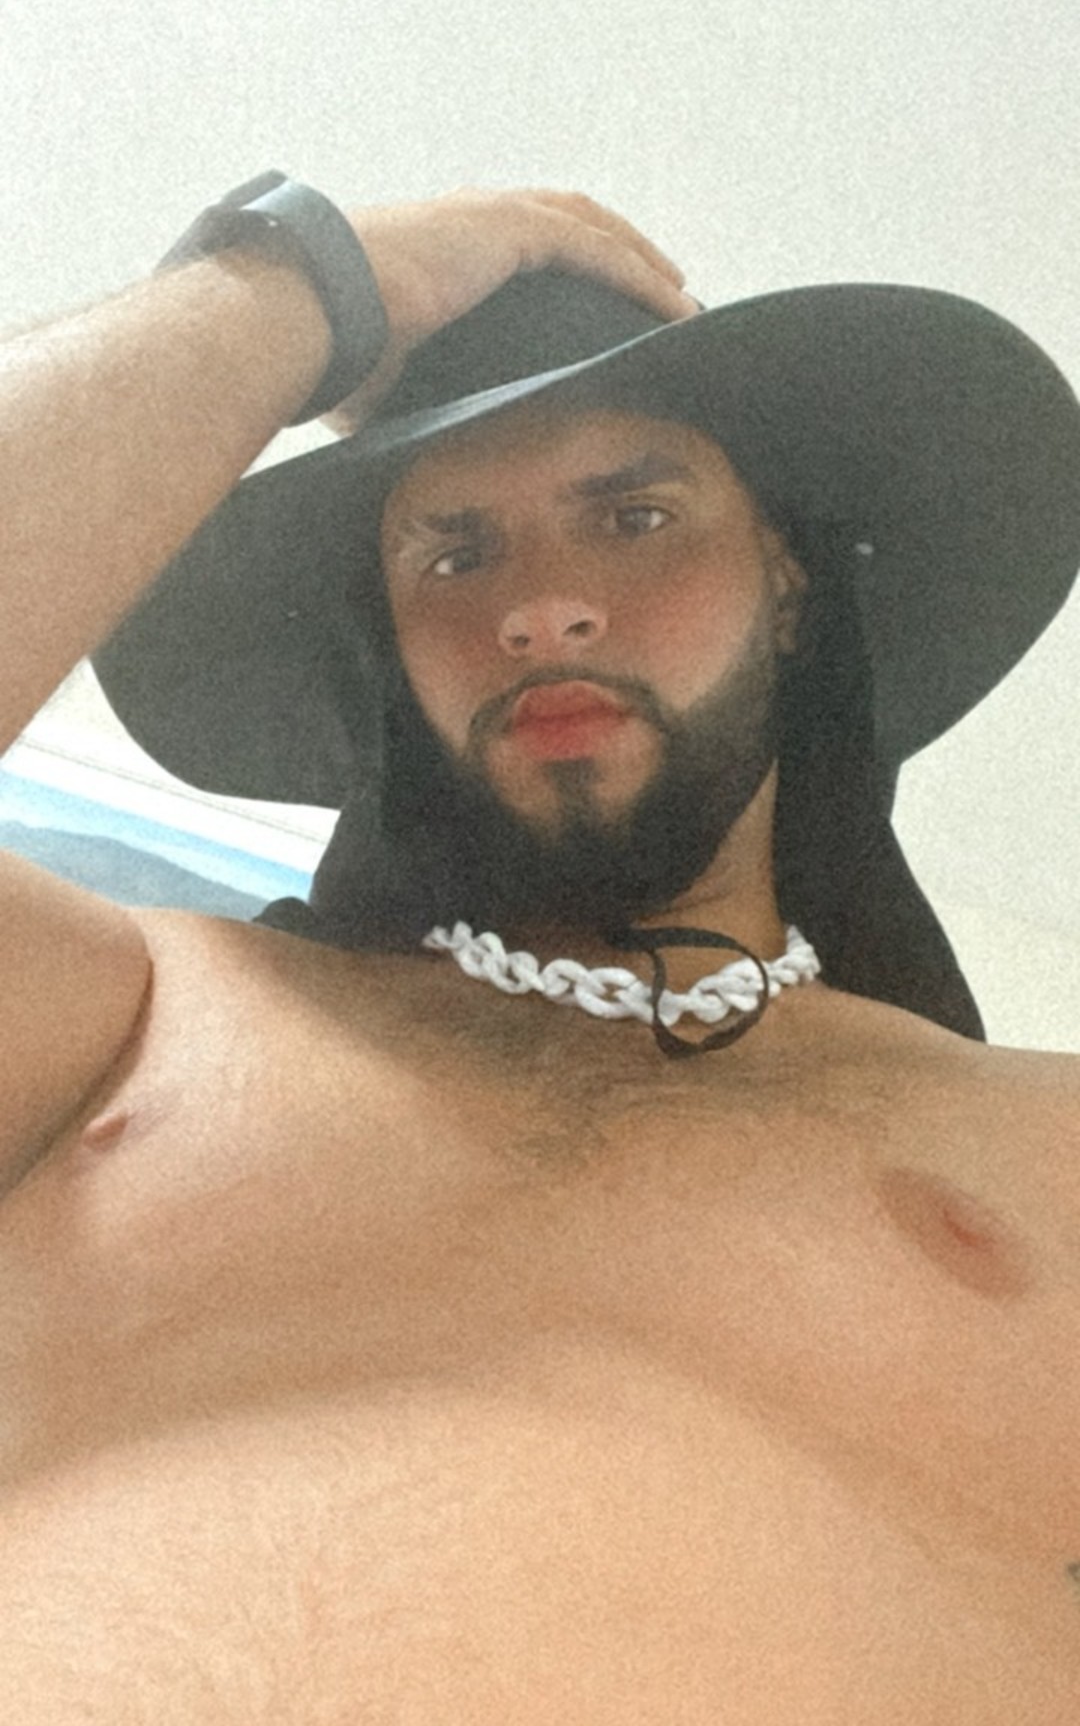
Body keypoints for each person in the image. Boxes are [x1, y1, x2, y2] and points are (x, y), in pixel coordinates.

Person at [1, 177, 1079, 1721]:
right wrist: (289, 286)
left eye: (634, 518)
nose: (544, 610)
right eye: (454, 555)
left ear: (787, 584)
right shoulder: (135, 1013)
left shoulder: (1050, 1145)